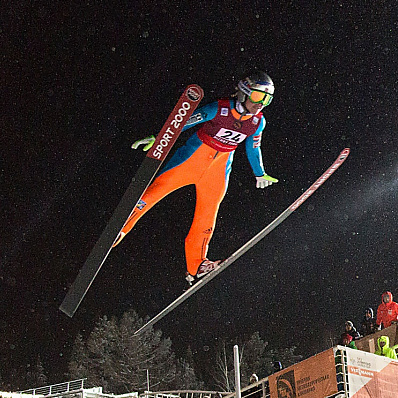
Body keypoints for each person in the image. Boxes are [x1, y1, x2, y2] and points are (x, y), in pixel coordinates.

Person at [113, 72, 278, 283]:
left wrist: (259, 173)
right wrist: (159, 137)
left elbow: (254, 148)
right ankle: (121, 229)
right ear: (244, 93)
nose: (261, 104)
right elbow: (184, 122)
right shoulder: (219, 108)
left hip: (218, 172)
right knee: (154, 193)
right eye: (257, 97)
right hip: (190, 161)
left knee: (207, 217)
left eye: (267, 99)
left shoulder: (257, 122)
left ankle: (197, 265)